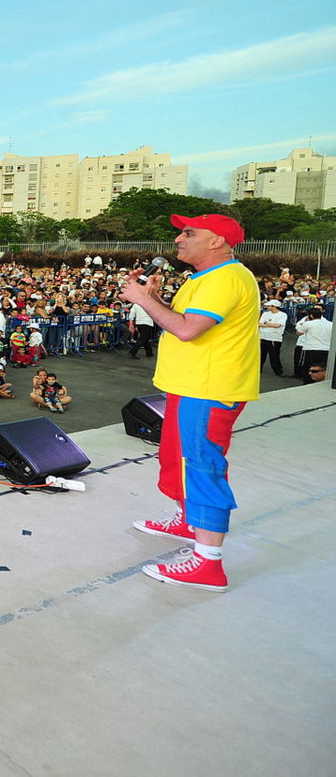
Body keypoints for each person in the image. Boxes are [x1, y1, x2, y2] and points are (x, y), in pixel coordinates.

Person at [120, 214, 260, 593]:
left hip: (210, 388)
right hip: (192, 385)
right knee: (178, 460)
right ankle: (187, 520)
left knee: (202, 466)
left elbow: (185, 329)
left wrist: (142, 301)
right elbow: (182, 318)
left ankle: (208, 563)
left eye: (189, 233)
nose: (179, 240)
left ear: (217, 241)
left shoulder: (226, 278)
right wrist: (152, 297)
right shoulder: (206, 278)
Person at [294, 306, 330, 382]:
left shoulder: (308, 324)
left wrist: (304, 323)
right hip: (326, 349)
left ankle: (308, 382)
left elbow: (298, 333)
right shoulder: (330, 324)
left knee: (308, 368)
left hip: (311, 349)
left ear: (311, 315)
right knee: (323, 367)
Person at [256, 299, 287, 376]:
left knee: (274, 355)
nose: (267, 307)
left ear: (274, 306)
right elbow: (260, 323)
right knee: (261, 355)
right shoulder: (265, 314)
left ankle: (278, 370)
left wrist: (266, 324)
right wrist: (270, 324)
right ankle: (258, 369)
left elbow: (278, 325)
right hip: (263, 336)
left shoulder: (282, 315)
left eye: (269, 306)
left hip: (274, 338)